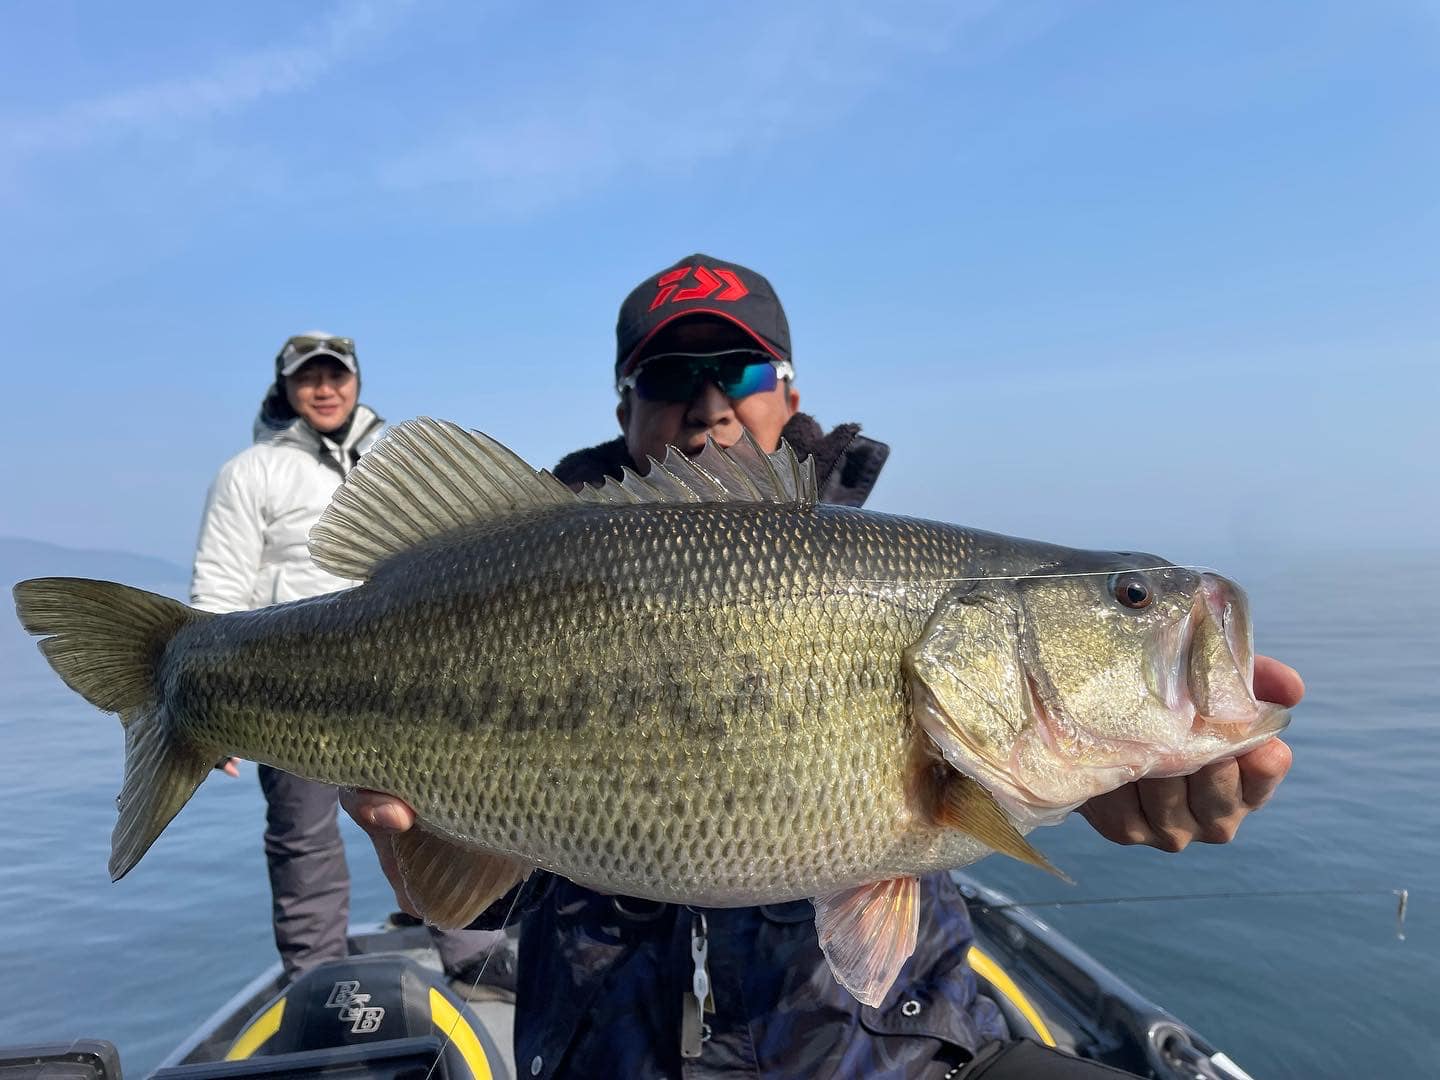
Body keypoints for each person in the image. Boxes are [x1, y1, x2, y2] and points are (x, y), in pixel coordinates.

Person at [342, 258, 1304, 1078]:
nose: (709, 406)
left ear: (790, 397)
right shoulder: (506, 569)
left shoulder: (889, 579)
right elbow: (469, 888)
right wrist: (435, 844)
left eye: (741, 370)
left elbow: (959, 805)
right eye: (672, 376)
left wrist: (1091, 786)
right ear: (624, 406)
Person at [191, 331, 514, 996]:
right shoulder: (250, 471)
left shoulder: (389, 456)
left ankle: (470, 949)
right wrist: (206, 697)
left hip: (424, 683)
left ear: (357, 380)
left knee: (455, 817)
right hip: (296, 686)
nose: (325, 389)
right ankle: (317, 973)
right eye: (308, 377)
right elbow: (220, 582)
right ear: (285, 387)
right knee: (303, 835)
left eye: (336, 375)